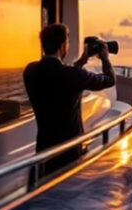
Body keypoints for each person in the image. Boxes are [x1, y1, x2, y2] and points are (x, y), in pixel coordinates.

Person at [23, 23, 115, 173]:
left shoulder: (30, 71)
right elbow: (110, 79)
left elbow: (60, 75)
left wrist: (82, 60)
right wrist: (105, 58)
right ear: (63, 46)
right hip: (70, 153)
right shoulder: (73, 75)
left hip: (43, 152)